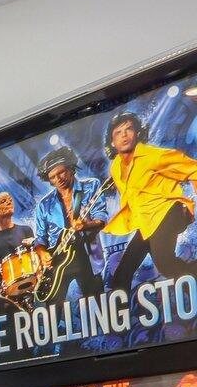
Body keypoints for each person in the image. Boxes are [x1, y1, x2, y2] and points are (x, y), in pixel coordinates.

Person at [100, 110, 197, 292]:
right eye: (118, 133)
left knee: (166, 264)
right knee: (122, 273)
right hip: (146, 224)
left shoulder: (153, 156)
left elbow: (193, 168)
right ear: (112, 142)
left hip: (167, 212)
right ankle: (121, 317)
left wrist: (192, 204)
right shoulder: (115, 167)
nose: (124, 135)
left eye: (129, 129)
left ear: (137, 133)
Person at [31, 145, 111, 300]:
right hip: (57, 263)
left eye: (61, 172)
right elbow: (40, 238)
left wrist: (85, 226)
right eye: (53, 177)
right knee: (53, 311)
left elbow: (101, 219)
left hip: (86, 258)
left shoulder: (90, 186)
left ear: (71, 169)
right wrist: (42, 253)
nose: (58, 179)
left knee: (98, 304)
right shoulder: (44, 204)